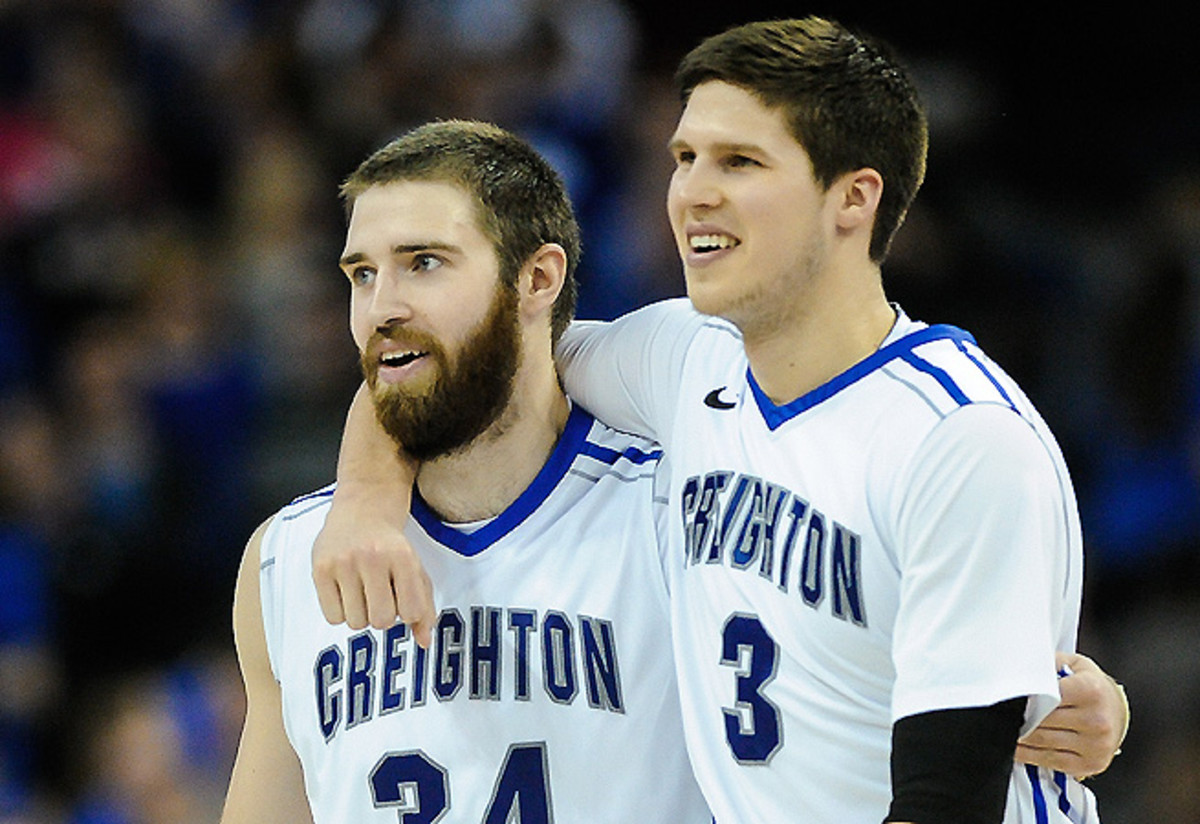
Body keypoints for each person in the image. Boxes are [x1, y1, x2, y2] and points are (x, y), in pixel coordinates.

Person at [310, 17, 1132, 824]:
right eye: (685, 158)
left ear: (853, 198)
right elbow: (458, 356)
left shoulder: (957, 441)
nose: (693, 192)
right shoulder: (687, 361)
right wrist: (366, 500)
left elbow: (948, 803)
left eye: (739, 162)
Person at [220, 120, 712, 823]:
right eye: (363, 273)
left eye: (424, 262)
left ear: (537, 278)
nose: (383, 307)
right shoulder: (285, 559)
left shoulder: (674, 516)